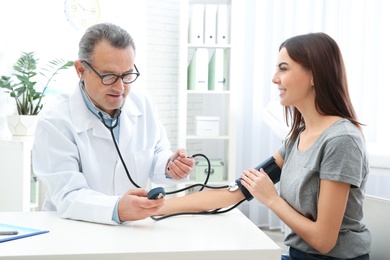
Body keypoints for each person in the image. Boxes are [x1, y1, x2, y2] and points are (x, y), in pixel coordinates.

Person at [156, 32, 371, 259]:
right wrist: (157, 208)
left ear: (314, 75)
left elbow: (324, 240)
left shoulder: (341, 140)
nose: (275, 78)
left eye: (284, 68)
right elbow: (235, 192)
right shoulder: (297, 137)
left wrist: (271, 199)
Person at [32, 23, 195, 225]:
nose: (120, 87)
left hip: (132, 228)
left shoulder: (143, 103)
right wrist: (117, 208)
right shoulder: (55, 120)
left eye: (127, 75)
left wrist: (169, 166)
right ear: (81, 69)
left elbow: (156, 151)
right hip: (73, 230)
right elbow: (67, 195)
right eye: (109, 76)